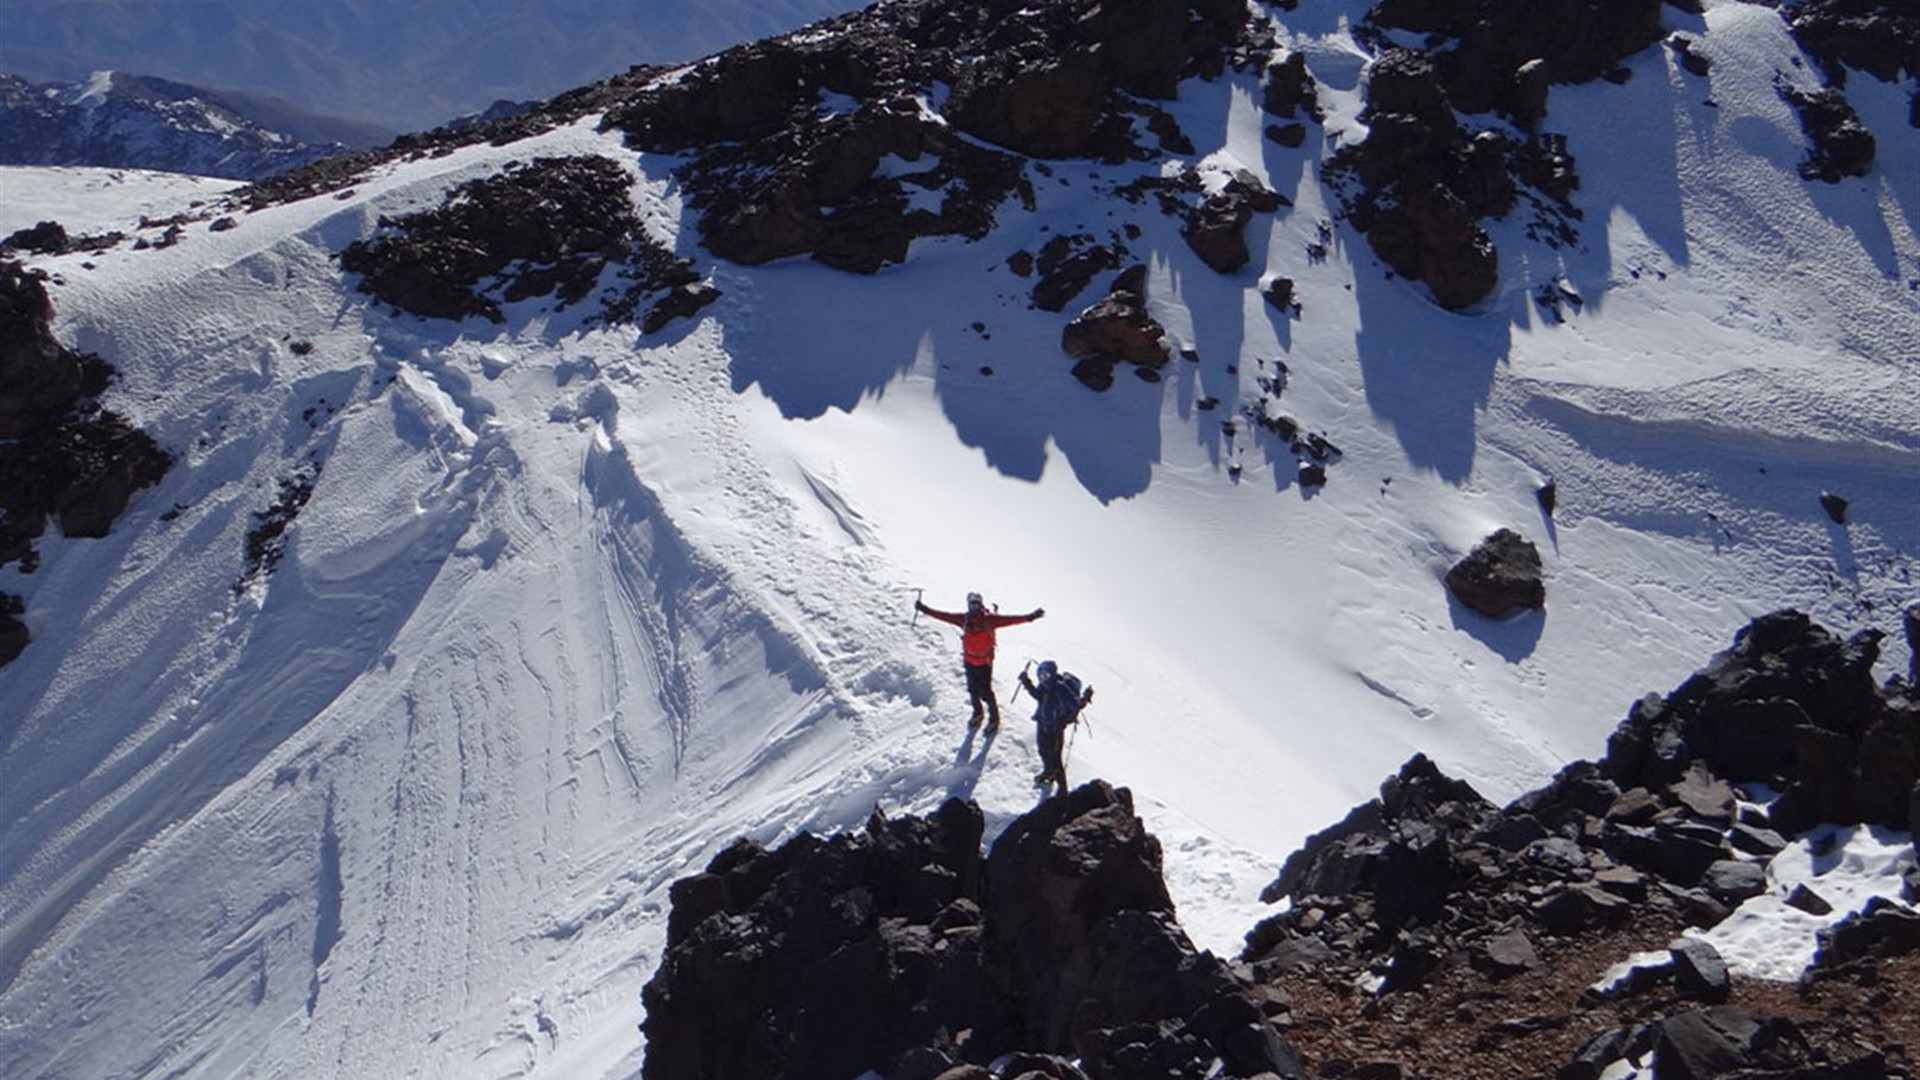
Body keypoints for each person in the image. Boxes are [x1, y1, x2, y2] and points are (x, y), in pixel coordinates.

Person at [915, 591, 1043, 730]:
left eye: (977, 604)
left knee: (986, 692)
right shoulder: (963, 619)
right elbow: (944, 616)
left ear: (981, 604)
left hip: (984, 663)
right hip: (969, 661)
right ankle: (978, 713)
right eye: (972, 604)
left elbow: (1010, 620)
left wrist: (1030, 617)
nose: (975, 607)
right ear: (969, 605)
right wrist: (925, 609)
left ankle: (994, 719)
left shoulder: (989, 620)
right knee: (972, 690)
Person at [1018, 659, 1092, 794]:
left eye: (1045, 676)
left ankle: (1062, 788)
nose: (1043, 679)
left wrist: (1086, 697)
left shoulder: (1061, 689)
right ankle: (1048, 772)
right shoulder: (1044, 687)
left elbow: (1076, 705)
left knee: (1056, 759)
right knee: (1042, 751)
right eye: (1040, 676)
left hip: (1056, 730)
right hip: (1042, 725)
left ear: (1052, 674)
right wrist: (1026, 682)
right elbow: (1037, 695)